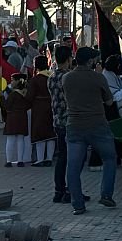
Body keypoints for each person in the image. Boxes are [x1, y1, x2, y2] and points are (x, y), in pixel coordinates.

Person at [63, 47, 118, 215]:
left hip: (74, 125)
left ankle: (78, 204)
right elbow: (109, 102)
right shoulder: (98, 77)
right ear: (90, 61)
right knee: (109, 158)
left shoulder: (66, 78)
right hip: (97, 125)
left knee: (73, 166)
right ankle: (106, 194)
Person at [48, 45, 82, 204]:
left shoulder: (52, 76)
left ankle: (58, 191)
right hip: (71, 121)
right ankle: (71, 191)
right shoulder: (69, 76)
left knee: (62, 157)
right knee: (74, 159)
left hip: (57, 120)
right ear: (69, 59)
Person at [27, 56, 56, 166]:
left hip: (39, 107)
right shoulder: (52, 76)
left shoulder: (35, 80)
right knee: (50, 133)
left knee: (39, 133)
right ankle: (49, 158)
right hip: (52, 105)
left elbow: (29, 96)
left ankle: (40, 159)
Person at [1, 74, 32, 167]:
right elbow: (29, 104)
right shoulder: (26, 93)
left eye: (13, 80)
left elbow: (6, 106)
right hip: (22, 117)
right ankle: (20, 160)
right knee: (20, 139)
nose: (11, 82)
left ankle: (9, 160)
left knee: (10, 139)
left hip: (12, 118)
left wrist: (2, 97)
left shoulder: (13, 94)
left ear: (18, 81)